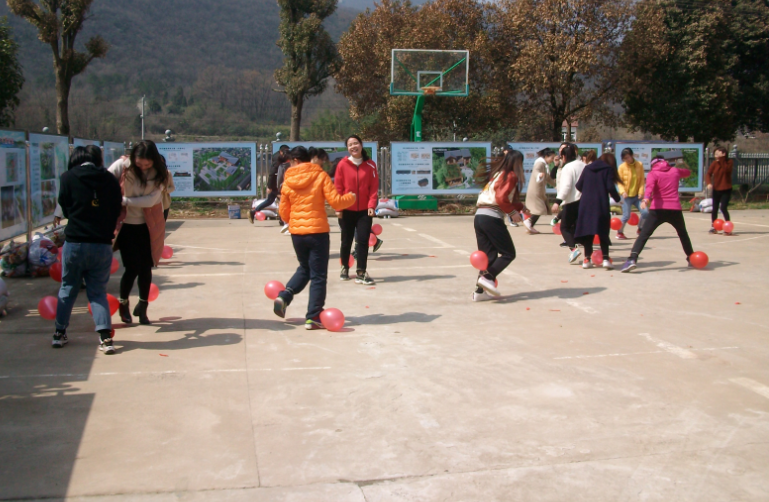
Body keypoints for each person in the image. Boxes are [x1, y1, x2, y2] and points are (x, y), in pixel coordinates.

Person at [273, 146, 356, 329]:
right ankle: (313, 316)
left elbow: (284, 213)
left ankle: (285, 296)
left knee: (305, 268)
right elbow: (335, 201)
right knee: (318, 275)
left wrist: (296, 221)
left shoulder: (288, 181)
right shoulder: (320, 176)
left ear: (295, 161)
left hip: (297, 234)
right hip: (317, 232)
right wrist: (351, 198)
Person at [52, 146, 122, 353]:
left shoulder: (67, 177)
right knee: (98, 292)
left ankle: (59, 333)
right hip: (102, 243)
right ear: (98, 160)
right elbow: (116, 207)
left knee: (68, 289)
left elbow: (65, 207)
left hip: (75, 242)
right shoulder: (110, 179)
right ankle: (105, 337)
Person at [109, 140, 168, 325]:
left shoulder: (160, 172)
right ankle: (123, 303)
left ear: (154, 161)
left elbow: (151, 200)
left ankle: (143, 306)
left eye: (147, 165)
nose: (143, 167)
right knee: (132, 267)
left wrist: (123, 201)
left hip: (148, 225)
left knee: (146, 267)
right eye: (139, 164)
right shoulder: (122, 166)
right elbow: (105, 183)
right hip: (126, 225)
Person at [472, 150, 530, 301]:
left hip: (480, 216)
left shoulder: (497, 174)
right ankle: (488, 277)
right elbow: (500, 198)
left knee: (488, 257)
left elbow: (500, 197)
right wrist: (512, 213)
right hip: (491, 217)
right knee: (508, 253)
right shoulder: (510, 175)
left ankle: (479, 293)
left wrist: (520, 207)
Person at [621, 157, 695, 273]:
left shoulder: (653, 173)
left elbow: (649, 188)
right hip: (674, 209)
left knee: (644, 235)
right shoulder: (675, 170)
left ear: (652, 165)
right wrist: (683, 163)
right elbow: (688, 172)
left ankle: (632, 259)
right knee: (682, 234)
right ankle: (691, 258)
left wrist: (645, 200)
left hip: (657, 210)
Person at [334, 135, 380, 285]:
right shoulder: (342, 165)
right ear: (347, 148)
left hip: (364, 211)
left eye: (356, 143)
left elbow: (373, 187)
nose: (353, 146)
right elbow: (338, 188)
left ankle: (361, 272)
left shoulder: (370, 165)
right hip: (346, 210)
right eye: (350, 145)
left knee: (363, 241)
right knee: (346, 241)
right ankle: (344, 267)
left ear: (361, 145)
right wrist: (339, 207)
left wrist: (371, 205)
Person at [574, 153, 622, 270]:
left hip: (586, 204)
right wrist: (618, 199)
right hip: (601, 203)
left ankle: (586, 260)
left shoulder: (587, 168)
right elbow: (610, 187)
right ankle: (605, 259)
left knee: (588, 232)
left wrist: (589, 189)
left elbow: (578, 185)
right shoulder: (608, 169)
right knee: (603, 231)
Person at [551, 144, 586, 263]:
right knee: (579, 227)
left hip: (572, 201)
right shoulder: (583, 165)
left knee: (564, 227)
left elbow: (566, 186)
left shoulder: (568, 167)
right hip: (584, 200)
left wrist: (557, 201)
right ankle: (589, 254)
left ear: (564, 156)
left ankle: (573, 249)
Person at [250, 145, 289, 225]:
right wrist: (270, 186)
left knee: (270, 200)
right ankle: (282, 219)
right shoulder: (278, 161)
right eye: (285, 152)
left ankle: (254, 212)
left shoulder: (280, 158)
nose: (287, 153)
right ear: (281, 152)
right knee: (282, 201)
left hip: (276, 184)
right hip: (276, 185)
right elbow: (272, 174)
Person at [616, 148, 648, 239]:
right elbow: (619, 182)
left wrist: (641, 192)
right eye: (624, 158)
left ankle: (640, 229)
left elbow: (641, 180)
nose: (627, 160)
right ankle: (619, 232)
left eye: (628, 157)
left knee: (645, 212)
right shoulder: (622, 167)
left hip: (637, 196)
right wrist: (622, 192)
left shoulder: (639, 165)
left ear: (632, 156)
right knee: (626, 216)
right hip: (626, 196)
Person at [524, 148, 556, 234]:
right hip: (535, 190)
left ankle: (530, 225)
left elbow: (548, 177)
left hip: (539, 190)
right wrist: (539, 174)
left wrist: (555, 185)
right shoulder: (540, 163)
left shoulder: (544, 164)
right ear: (546, 156)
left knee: (540, 209)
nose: (552, 160)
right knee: (540, 209)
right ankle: (529, 222)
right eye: (551, 158)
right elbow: (536, 171)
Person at [706, 147, 733, 233]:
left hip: (726, 189)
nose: (716, 155)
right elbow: (708, 174)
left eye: (718, 153)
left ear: (724, 154)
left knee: (723, 208)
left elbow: (726, 170)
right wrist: (709, 183)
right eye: (715, 154)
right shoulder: (714, 163)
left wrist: (721, 159)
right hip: (716, 189)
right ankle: (714, 227)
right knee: (715, 208)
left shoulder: (729, 162)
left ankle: (728, 227)